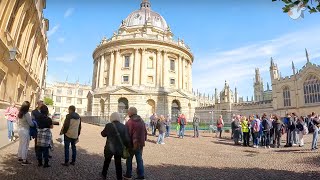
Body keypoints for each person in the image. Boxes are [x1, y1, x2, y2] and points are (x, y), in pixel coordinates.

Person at [101, 112, 130, 180]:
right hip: (119, 148)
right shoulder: (123, 126)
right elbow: (126, 139)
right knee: (118, 164)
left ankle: (104, 174)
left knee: (106, 162)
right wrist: (127, 147)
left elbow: (103, 134)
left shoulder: (108, 125)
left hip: (109, 147)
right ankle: (119, 177)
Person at [123, 107, 147, 180]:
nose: (127, 113)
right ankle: (141, 176)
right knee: (139, 159)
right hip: (140, 144)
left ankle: (128, 175)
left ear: (130, 113)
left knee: (129, 160)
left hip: (131, 144)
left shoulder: (130, 122)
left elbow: (126, 135)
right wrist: (143, 140)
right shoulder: (141, 121)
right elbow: (145, 132)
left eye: (128, 112)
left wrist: (126, 145)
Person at [17, 101, 34, 165]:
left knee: (21, 144)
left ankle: (19, 156)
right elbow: (31, 124)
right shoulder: (26, 114)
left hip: (20, 130)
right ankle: (24, 160)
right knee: (25, 145)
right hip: (25, 130)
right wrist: (34, 123)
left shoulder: (20, 113)